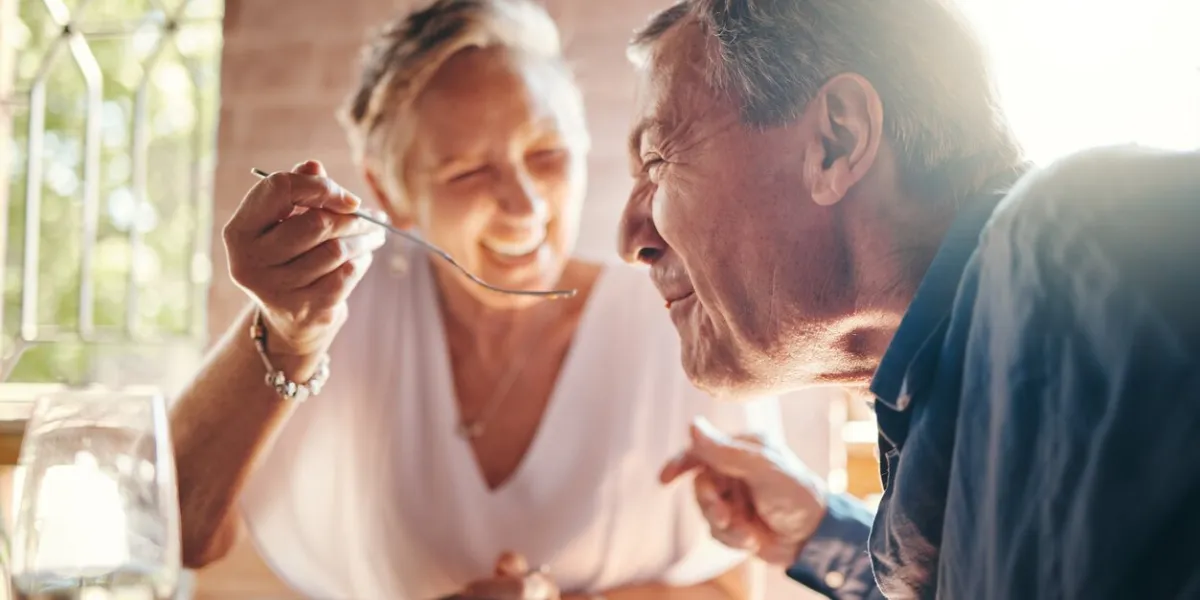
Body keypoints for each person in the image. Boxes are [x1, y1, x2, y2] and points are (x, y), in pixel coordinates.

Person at [169, 1, 783, 598]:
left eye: (546, 155)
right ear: (391, 188)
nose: (525, 206)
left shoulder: (679, 321)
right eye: (466, 172)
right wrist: (288, 333)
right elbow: (183, 530)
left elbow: (732, 585)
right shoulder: (337, 297)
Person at [617, 1, 1200, 599]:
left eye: (658, 161)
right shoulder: (968, 380)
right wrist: (818, 536)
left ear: (837, 141)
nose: (629, 240)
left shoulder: (1079, 254)